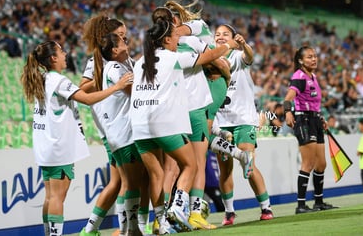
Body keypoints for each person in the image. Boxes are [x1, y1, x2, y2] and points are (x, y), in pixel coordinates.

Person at [130, 19, 238, 234]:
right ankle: (179, 208)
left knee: (157, 176)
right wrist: (229, 46)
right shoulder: (173, 57)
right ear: (167, 39)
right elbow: (208, 57)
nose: (178, 38)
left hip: (139, 127)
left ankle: (161, 223)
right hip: (163, 123)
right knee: (190, 165)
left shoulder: (141, 60)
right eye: (174, 35)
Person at [20, 41, 132, 236]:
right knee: (57, 197)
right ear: (53, 58)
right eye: (62, 51)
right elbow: (87, 99)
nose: (66, 54)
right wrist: (117, 87)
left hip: (44, 146)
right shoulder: (59, 81)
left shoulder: (43, 78)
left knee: (49, 197)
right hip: (58, 147)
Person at [79, 16, 149, 236]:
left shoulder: (122, 61)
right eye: (120, 36)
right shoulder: (98, 62)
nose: (124, 39)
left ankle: (113, 228)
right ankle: (127, 228)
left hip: (122, 126)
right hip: (113, 127)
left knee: (124, 181)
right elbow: (82, 88)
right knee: (126, 181)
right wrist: (108, 77)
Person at [214, 24, 273, 225]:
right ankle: (229, 212)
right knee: (225, 169)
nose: (220, 37)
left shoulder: (237, 57)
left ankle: (266, 207)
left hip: (244, 119)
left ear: (233, 38)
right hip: (221, 122)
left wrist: (244, 44)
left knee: (247, 160)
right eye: (217, 35)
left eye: (225, 34)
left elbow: (250, 57)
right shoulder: (210, 61)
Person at [284, 45, 337, 214]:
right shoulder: (299, 77)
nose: (313, 59)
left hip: (314, 120)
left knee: (321, 164)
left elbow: (314, 102)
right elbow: (288, 98)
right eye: (309, 57)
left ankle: (318, 202)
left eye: (314, 56)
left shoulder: (313, 76)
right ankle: (300, 205)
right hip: (303, 120)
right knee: (308, 163)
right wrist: (287, 113)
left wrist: (321, 118)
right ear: (300, 61)